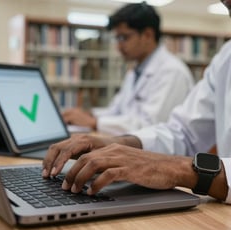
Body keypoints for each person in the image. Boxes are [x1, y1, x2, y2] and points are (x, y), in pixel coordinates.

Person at [42, 0, 231, 221]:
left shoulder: (173, 70)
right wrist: (118, 144)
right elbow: (184, 132)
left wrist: (184, 170)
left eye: (124, 37)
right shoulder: (230, 54)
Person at [62, 2, 194, 135]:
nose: (118, 46)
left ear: (147, 35)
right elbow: (116, 110)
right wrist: (88, 114)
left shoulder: (172, 72)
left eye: (124, 37)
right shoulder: (136, 70)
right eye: (117, 38)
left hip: (159, 154)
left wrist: (94, 122)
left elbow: (152, 125)